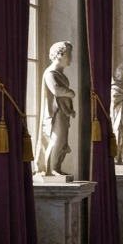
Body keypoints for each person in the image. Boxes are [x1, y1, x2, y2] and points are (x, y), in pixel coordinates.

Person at [35, 42, 76, 176]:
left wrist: (71, 109)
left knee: (62, 141)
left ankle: (56, 168)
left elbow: (63, 98)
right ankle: (49, 169)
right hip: (55, 113)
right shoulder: (50, 73)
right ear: (59, 55)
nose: (71, 58)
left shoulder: (61, 74)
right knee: (56, 139)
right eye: (69, 54)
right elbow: (56, 90)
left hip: (63, 112)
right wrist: (70, 92)